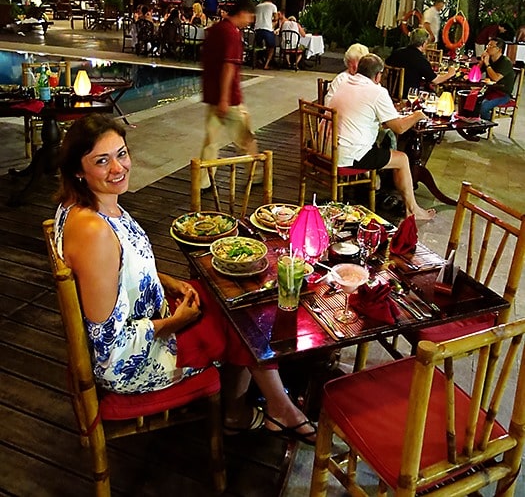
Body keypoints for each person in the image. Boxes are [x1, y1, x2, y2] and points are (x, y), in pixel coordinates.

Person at [54, 114, 316, 442]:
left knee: (231, 299)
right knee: (243, 323)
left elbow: (119, 271)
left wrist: (165, 280)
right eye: (101, 161)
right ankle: (271, 411)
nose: (118, 168)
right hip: (133, 363)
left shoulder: (80, 206)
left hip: (149, 315)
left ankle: (258, 408)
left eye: (121, 154)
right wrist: (177, 323)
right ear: (78, 170)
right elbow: (110, 344)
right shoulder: (95, 233)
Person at [327, 54, 436, 221]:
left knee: (384, 147)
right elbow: (399, 128)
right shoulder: (377, 91)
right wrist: (417, 115)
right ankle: (412, 209)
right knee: (402, 159)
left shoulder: (344, 83)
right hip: (349, 156)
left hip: (327, 149)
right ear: (378, 75)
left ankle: (402, 201)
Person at [200, 0, 259, 189]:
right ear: (242, 13)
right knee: (245, 137)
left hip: (213, 95)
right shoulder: (232, 34)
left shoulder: (216, 29)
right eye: (250, 17)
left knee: (211, 140)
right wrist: (225, 98)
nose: (250, 21)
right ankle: (256, 174)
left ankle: (203, 181)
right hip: (228, 98)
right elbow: (228, 67)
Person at [387, 28, 456, 97]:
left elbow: (386, 64)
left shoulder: (397, 52)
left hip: (390, 93)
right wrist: (450, 74)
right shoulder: (421, 59)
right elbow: (435, 80)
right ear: (424, 43)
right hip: (410, 95)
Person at [478, 38, 515, 120]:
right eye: (487, 45)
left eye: (491, 46)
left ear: (499, 49)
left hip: (503, 93)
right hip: (489, 90)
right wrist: (481, 62)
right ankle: (473, 124)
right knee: (470, 99)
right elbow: (475, 74)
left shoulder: (505, 62)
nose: (487, 47)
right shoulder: (489, 59)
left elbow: (495, 78)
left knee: (483, 106)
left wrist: (487, 64)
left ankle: (487, 123)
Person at [254, 0, 278, 70]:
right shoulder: (273, 6)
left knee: (258, 46)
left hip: (257, 28)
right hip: (267, 28)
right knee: (271, 47)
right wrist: (273, 22)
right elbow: (276, 18)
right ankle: (266, 64)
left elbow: (254, 18)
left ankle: (257, 62)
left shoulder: (257, 6)